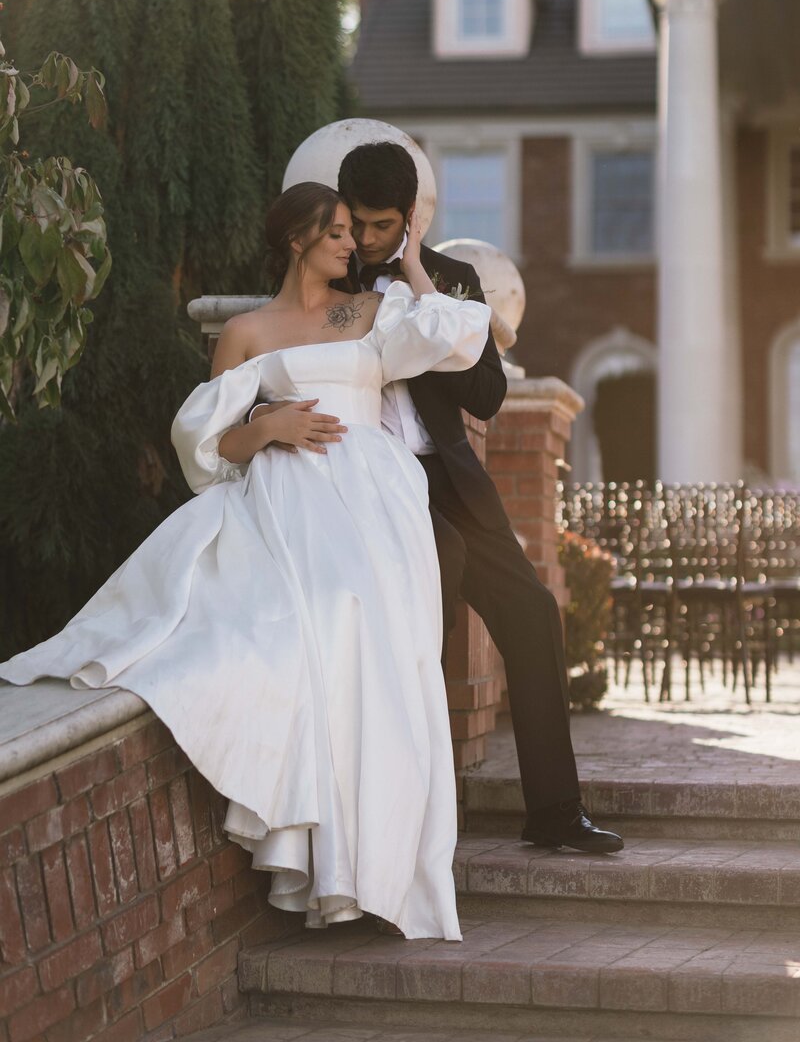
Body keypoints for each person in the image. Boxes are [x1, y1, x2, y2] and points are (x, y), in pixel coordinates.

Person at [0, 181, 494, 940]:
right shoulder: (249, 332)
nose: (348, 244)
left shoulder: (365, 311)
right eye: (334, 231)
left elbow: (454, 332)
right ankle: (331, 874)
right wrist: (269, 426)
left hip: (374, 508)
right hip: (288, 505)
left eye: (350, 233)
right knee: (311, 643)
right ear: (297, 238)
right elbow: (208, 444)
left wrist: (416, 256)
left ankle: (387, 868)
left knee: (385, 667)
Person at [332, 142, 623, 854]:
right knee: (433, 595)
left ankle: (555, 813)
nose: (366, 238)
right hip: (368, 483)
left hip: (449, 479)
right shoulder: (325, 275)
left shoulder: (454, 280)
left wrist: (418, 286)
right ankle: (412, 825)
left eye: (381, 226)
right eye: (357, 224)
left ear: (409, 219)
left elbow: (488, 396)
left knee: (531, 613)